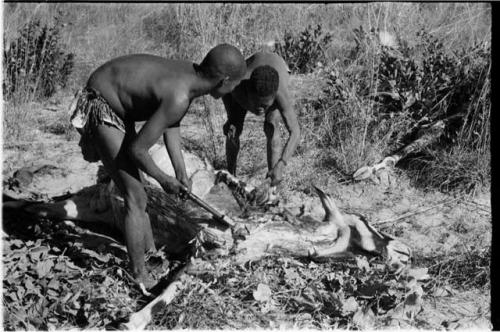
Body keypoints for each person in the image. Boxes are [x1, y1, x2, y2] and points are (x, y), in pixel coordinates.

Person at [70, 44, 246, 288]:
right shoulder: (180, 95)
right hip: (102, 100)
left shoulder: (190, 78)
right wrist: (165, 180)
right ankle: (138, 274)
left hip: (118, 98)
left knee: (139, 189)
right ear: (224, 80)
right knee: (135, 196)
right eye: (235, 84)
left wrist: (181, 173)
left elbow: (171, 124)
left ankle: (152, 255)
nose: (235, 90)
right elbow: (137, 150)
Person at [222, 52, 300, 186]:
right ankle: (230, 177)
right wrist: (231, 119)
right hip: (251, 67)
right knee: (233, 128)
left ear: (274, 97)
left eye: (265, 105)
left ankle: (271, 184)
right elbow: (223, 90)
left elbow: (295, 132)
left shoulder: (279, 93)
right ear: (249, 92)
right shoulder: (236, 86)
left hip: (278, 64)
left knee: (271, 126)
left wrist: (281, 165)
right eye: (257, 103)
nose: (260, 109)